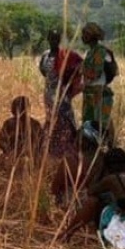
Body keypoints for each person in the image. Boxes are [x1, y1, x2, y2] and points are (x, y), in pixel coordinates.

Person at [38, 29, 83, 159]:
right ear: (48, 39)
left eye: (56, 38)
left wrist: (70, 83)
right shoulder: (45, 55)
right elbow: (43, 70)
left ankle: (67, 146)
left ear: (59, 40)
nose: (54, 41)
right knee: (51, 117)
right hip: (49, 92)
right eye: (52, 38)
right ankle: (52, 147)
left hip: (62, 93)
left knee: (65, 117)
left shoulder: (66, 55)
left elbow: (81, 66)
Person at [80, 22, 115, 146]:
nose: (82, 37)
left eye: (85, 34)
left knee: (101, 125)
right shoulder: (90, 52)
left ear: (92, 35)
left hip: (99, 92)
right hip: (90, 92)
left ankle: (108, 149)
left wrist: (81, 70)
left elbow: (96, 73)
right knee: (90, 124)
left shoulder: (100, 51)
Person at [0, 96, 44, 171]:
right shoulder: (35, 124)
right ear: (28, 109)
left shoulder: (9, 123)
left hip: (22, 157)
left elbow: (1, 142)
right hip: (24, 157)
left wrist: (10, 152)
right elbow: (42, 142)